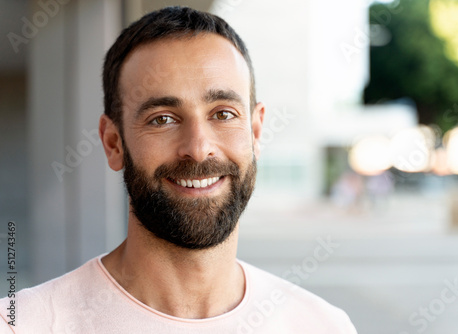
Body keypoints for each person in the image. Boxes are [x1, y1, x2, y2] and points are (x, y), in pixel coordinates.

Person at [0, 6, 357, 333]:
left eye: (223, 113)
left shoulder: (323, 325)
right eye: (163, 119)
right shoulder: (23, 324)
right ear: (113, 143)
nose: (199, 148)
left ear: (256, 132)